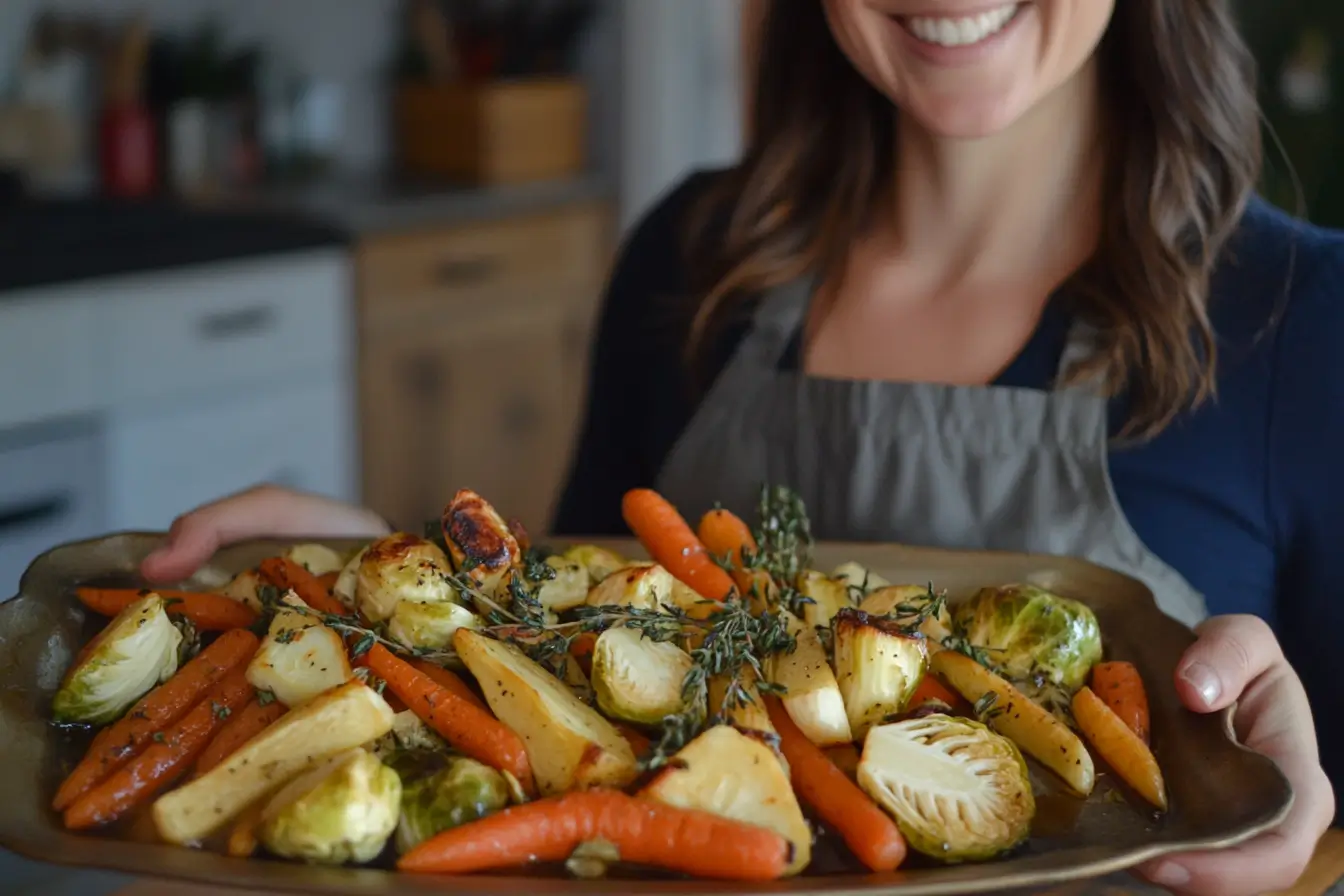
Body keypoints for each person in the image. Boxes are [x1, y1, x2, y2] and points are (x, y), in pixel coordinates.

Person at [141, 1, 1338, 893]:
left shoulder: (1310, 321)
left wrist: (1309, 816)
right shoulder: (689, 256)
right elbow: (563, 646)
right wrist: (375, 582)